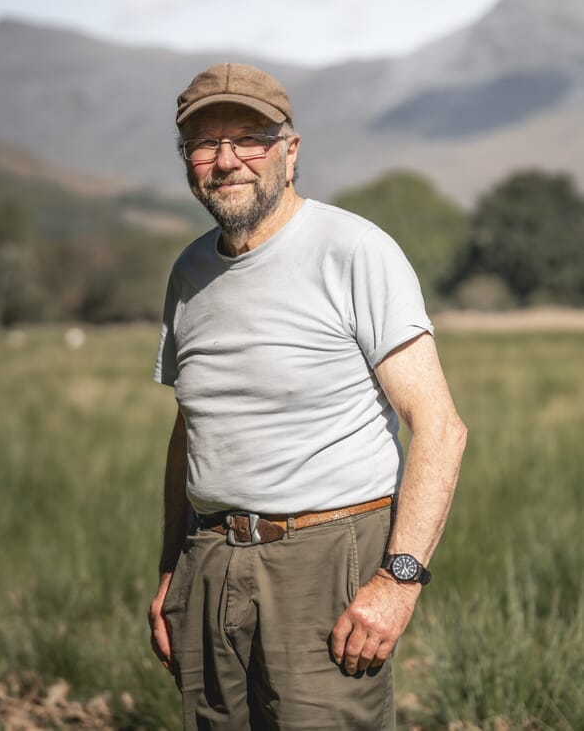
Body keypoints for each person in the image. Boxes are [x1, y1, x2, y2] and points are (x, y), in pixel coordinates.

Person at [148, 62, 467, 730]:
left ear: (290, 153)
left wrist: (398, 581)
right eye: (205, 144)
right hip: (208, 562)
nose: (227, 160)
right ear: (188, 163)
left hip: (325, 561)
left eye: (249, 138)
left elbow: (439, 426)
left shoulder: (353, 250)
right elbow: (192, 429)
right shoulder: (189, 272)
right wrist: (171, 569)